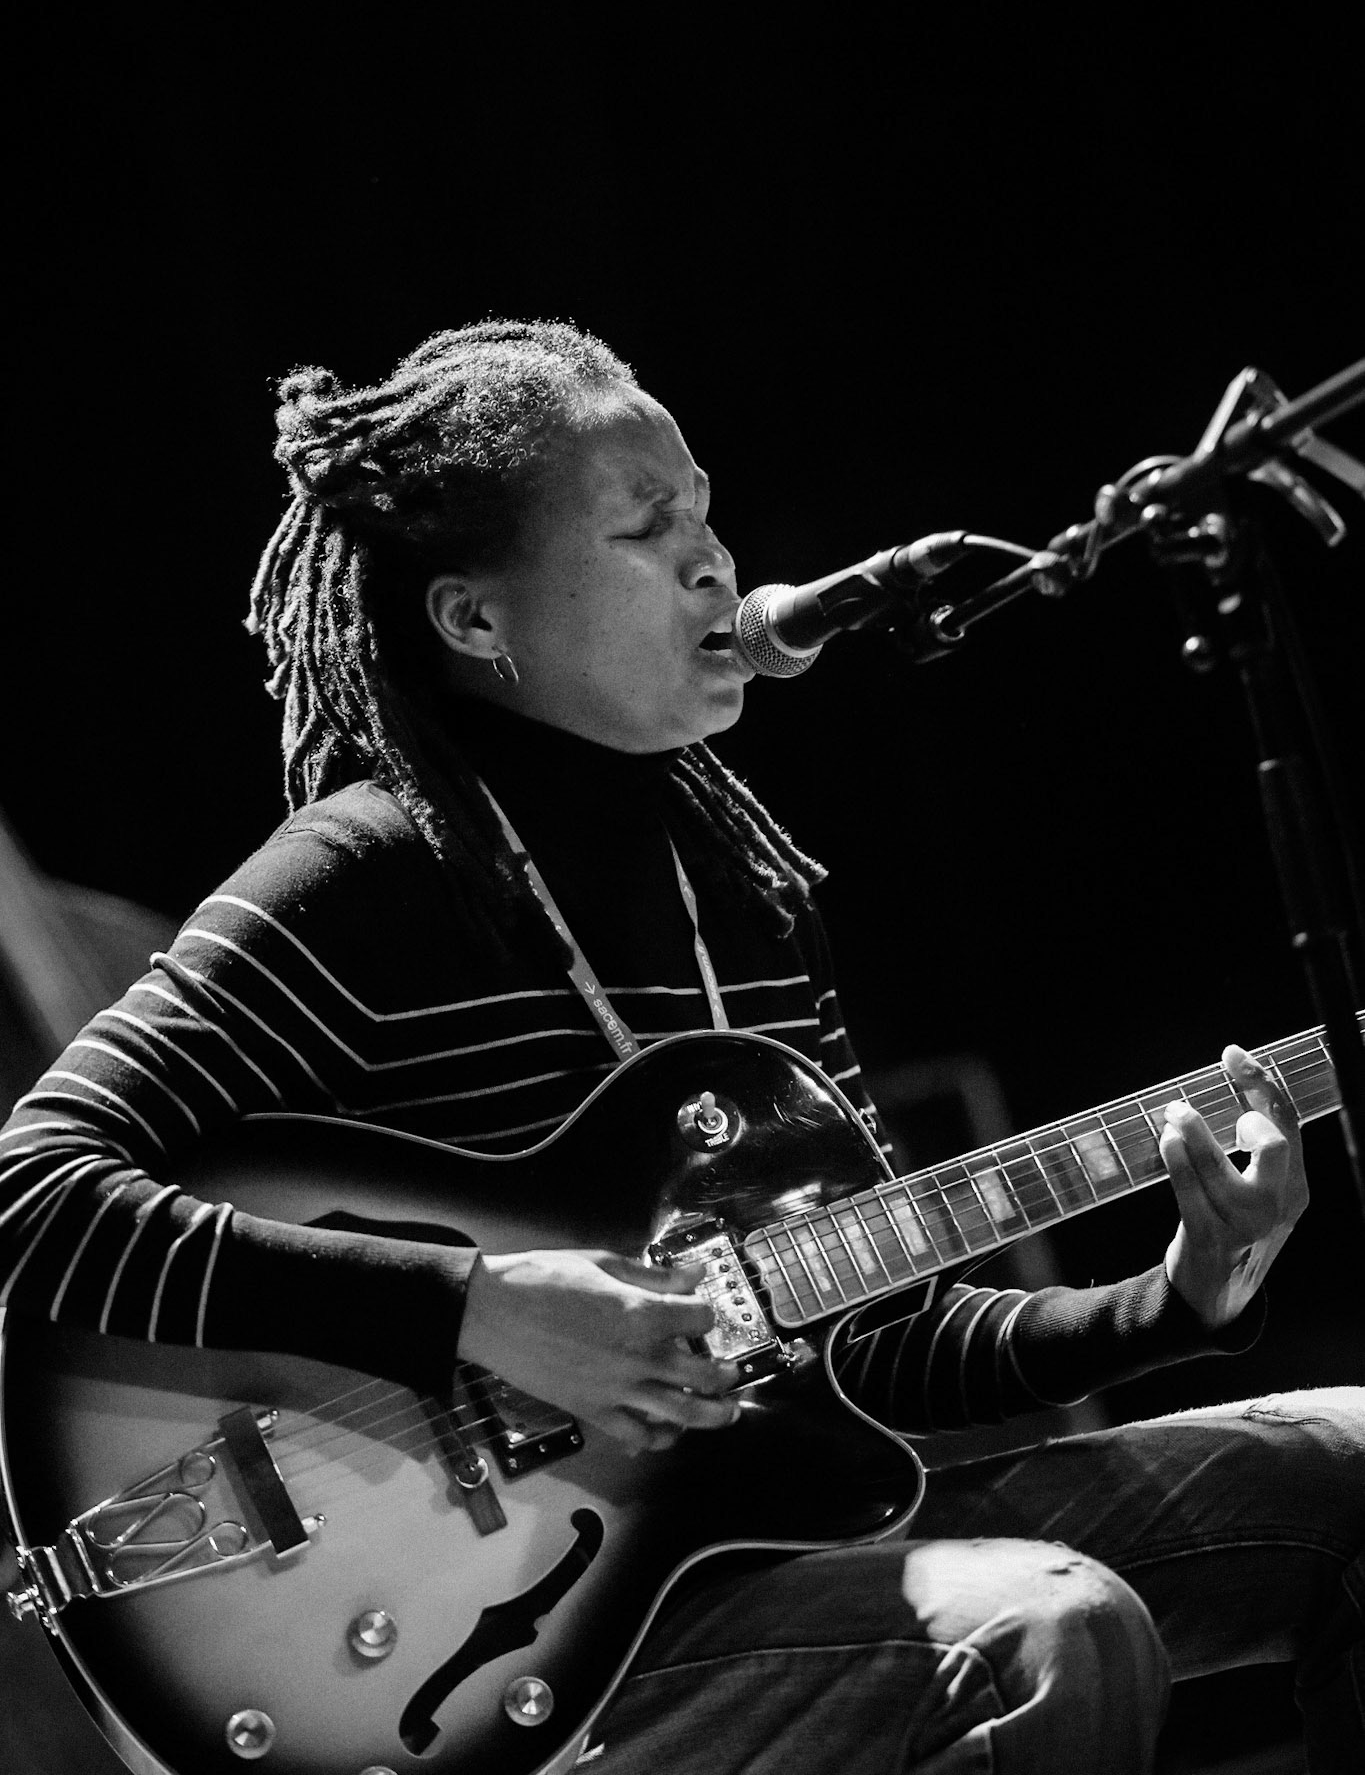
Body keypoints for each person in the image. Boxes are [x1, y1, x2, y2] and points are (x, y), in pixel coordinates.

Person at [0, 319, 1360, 1773]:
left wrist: (1174, 1291)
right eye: (649, 532)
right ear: (475, 621)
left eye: (704, 516)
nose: (713, 564)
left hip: (749, 1559)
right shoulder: (362, 878)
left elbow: (872, 1346)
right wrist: (471, 1305)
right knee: (1040, 1632)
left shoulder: (749, 901)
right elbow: (28, 1194)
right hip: (500, 1652)